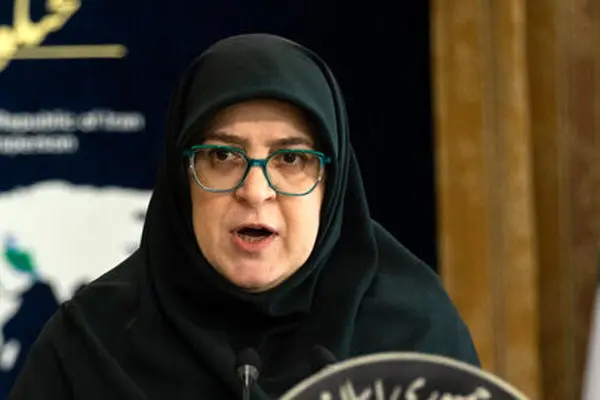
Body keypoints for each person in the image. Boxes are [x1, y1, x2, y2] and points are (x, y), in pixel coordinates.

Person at [8, 33, 479, 399]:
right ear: (182, 180)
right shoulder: (89, 347)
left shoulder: (415, 338)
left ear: (332, 185)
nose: (255, 192)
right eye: (222, 156)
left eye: (290, 159)